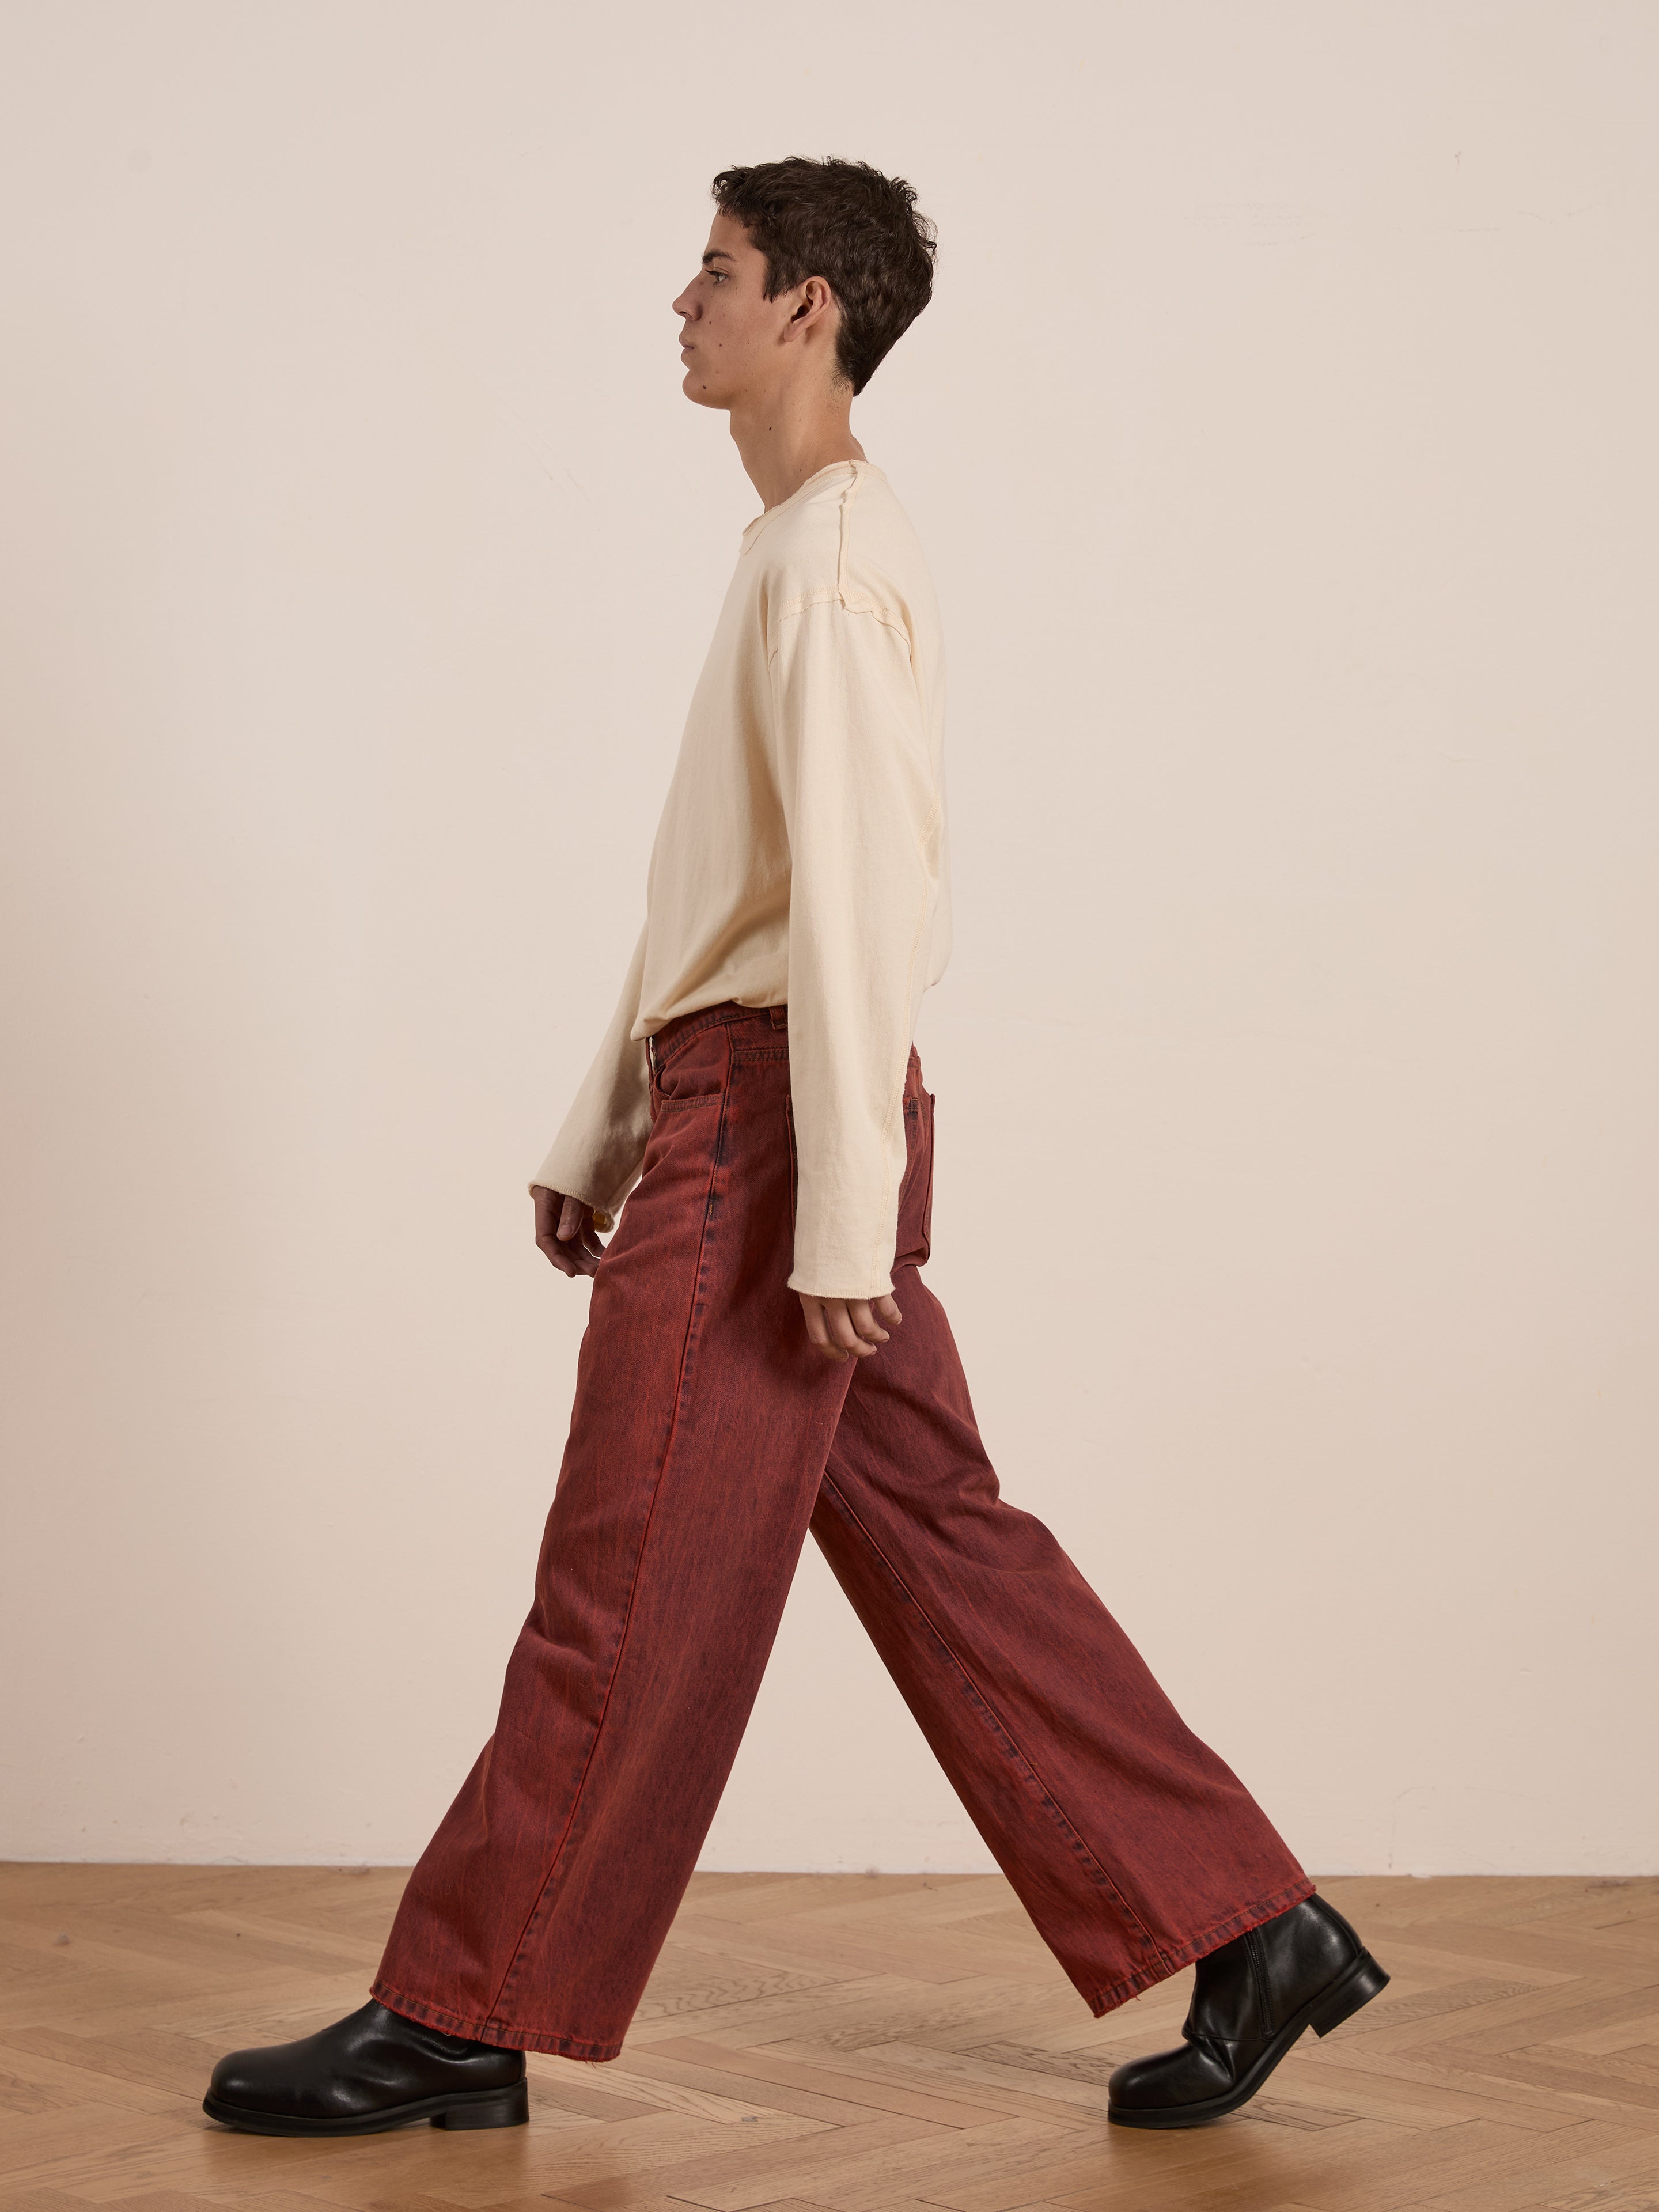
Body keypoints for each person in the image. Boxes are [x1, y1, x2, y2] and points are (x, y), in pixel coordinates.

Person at [203, 155, 1387, 2142]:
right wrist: (606, 1120)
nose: (684, 300)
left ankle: (464, 2010)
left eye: (720, 271)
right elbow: (718, 900)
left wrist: (825, 1206)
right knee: (949, 1556)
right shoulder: (789, 552)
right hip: (754, 1117)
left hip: (773, 1147)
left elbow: (849, 910)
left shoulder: (831, 564)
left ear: (811, 310)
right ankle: (1248, 1923)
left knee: (621, 1580)